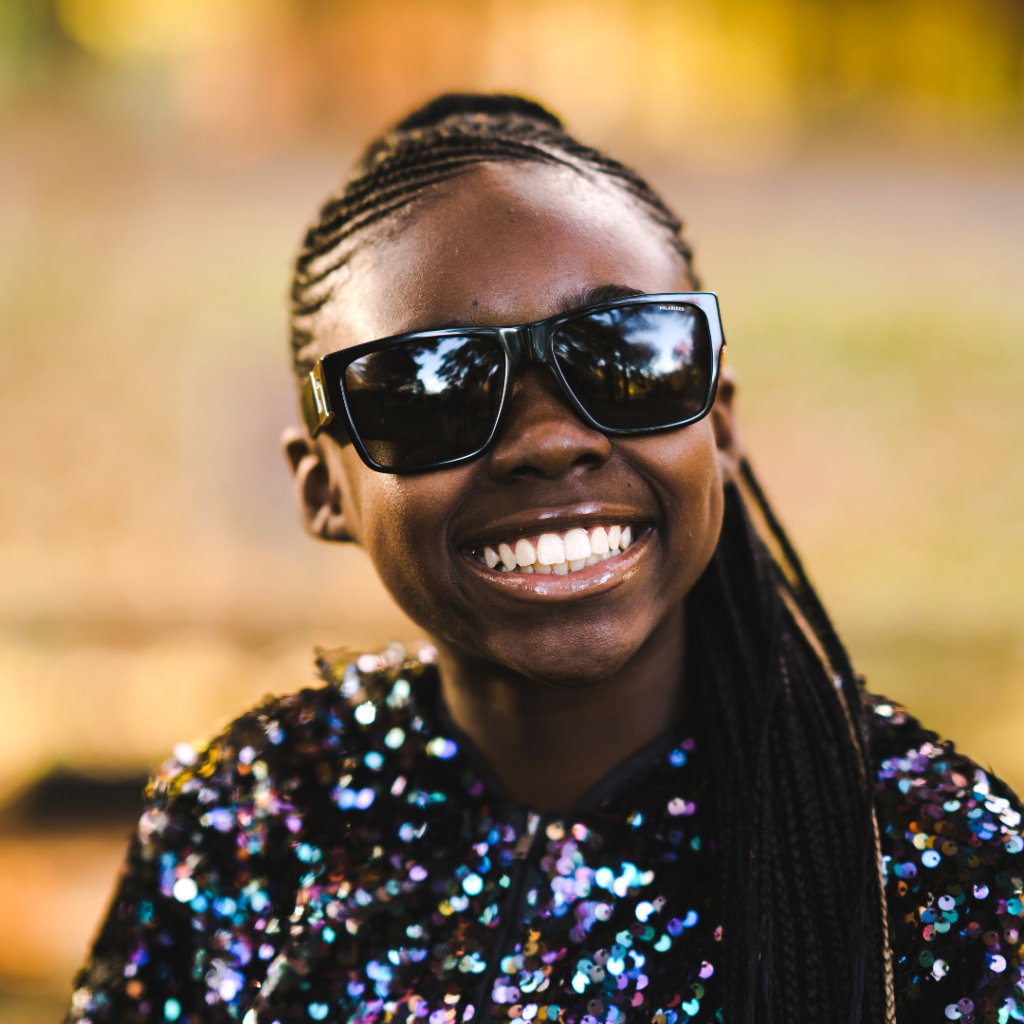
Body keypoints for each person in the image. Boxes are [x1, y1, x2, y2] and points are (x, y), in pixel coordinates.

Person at [65, 93, 1024, 1024]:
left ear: (719, 424)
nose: (549, 440)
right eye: (433, 388)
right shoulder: (251, 823)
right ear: (321, 487)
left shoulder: (936, 860)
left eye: (626, 359)